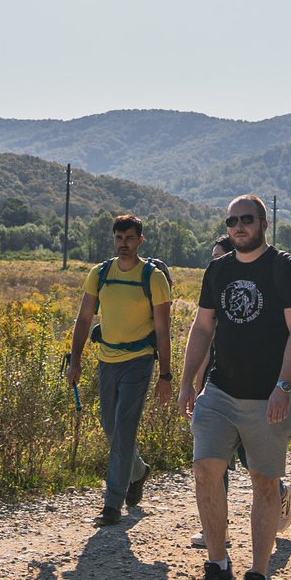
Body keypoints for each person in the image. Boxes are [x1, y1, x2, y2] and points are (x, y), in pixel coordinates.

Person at [178, 196, 291, 580]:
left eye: (246, 219)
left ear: (263, 223)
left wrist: (283, 386)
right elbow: (203, 327)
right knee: (205, 470)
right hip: (219, 392)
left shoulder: (284, 268)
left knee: (264, 483)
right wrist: (187, 381)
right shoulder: (217, 270)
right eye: (232, 220)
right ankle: (217, 566)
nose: (239, 226)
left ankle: (257, 576)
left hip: (267, 396)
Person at [64, 213, 173, 527]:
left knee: (124, 430)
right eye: (118, 238)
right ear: (113, 240)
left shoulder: (153, 277)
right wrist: (75, 361)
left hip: (139, 361)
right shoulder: (100, 274)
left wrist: (165, 377)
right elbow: (84, 320)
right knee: (110, 427)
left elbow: (163, 330)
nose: (123, 244)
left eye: (129, 239)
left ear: (140, 240)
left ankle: (112, 504)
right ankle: (138, 471)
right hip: (107, 360)